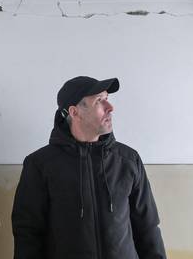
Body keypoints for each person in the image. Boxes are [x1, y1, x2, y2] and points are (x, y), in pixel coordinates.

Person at [11, 76, 166, 259]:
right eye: (99, 101)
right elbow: (28, 234)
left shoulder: (128, 160)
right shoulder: (40, 165)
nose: (110, 107)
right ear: (75, 112)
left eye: (107, 99)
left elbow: (148, 228)